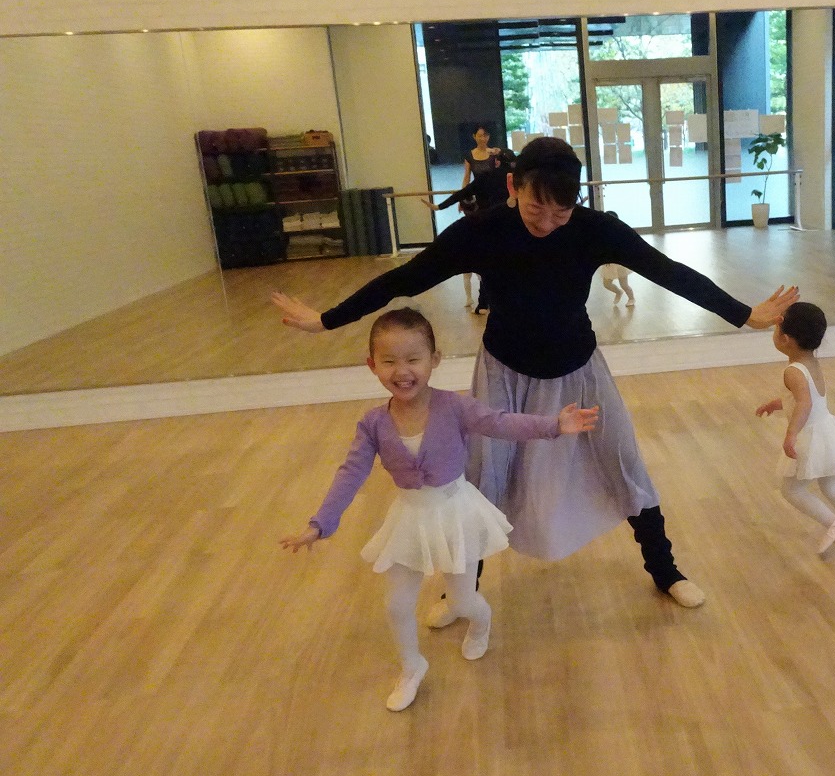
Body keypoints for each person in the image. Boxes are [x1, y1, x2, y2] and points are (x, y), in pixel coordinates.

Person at [272, 135, 798, 612]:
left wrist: (744, 314)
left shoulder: (595, 229)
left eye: (560, 212)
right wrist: (326, 319)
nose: (546, 222)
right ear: (512, 187)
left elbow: (668, 271)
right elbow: (404, 278)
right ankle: (463, 590)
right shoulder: (482, 232)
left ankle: (666, 571)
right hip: (504, 372)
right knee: (478, 479)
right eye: (534, 208)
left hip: (580, 369)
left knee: (624, 462)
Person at [279, 300, 599, 712]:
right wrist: (320, 523)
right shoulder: (373, 423)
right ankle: (412, 667)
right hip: (409, 517)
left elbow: (500, 422)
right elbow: (350, 473)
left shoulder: (454, 407)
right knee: (396, 604)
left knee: (464, 601)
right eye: (389, 361)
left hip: (454, 512)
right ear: (372, 365)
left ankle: (480, 623)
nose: (402, 370)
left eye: (413, 359)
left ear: (435, 360)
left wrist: (553, 425)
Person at [755, 302, 835, 554]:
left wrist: (791, 434)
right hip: (827, 431)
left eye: (776, 329)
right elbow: (805, 398)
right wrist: (776, 404)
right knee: (832, 487)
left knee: (791, 490)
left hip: (810, 437)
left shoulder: (792, 371)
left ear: (785, 339)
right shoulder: (811, 362)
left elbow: (804, 403)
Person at [427, 149, 518, 316]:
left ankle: (483, 303)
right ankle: (507, 301)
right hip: (512, 227)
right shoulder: (517, 179)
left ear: (496, 162)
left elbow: (462, 193)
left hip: (488, 226)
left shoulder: (485, 177)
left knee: (488, 265)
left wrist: (439, 206)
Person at [454, 123, 504, 309]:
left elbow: (502, 173)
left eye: (485, 135)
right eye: (480, 135)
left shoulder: (494, 153)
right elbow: (466, 178)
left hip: (495, 198)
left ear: (488, 137)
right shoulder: (470, 156)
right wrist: (461, 199)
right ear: (474, 136)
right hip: (479, 200)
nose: (483, 138)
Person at [599, 210, 636, 307]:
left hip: (620, 263)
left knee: (624, 284)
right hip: (608, 263)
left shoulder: (620, 232)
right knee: (606, 284)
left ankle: (631, 298)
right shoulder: (602, 233)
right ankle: (618, 292)